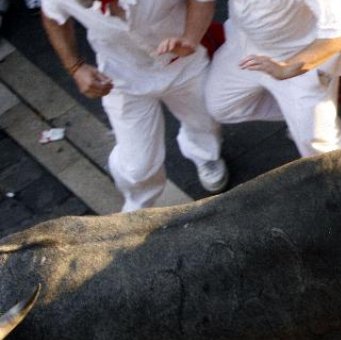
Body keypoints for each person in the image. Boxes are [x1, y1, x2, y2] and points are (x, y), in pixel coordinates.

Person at [41, 0, 227, 212]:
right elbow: (53, 18)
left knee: (206, 122)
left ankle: (205, 155)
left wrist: (191, 38)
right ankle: (138, 204)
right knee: (137, 166)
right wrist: (76, 67)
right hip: (121, 78)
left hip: (184, 64)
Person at [205, 0, 341, 157]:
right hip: (245, 48)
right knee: (222, 107)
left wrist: (287, 67)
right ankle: (301, 118)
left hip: (300, 61)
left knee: (320, 145)